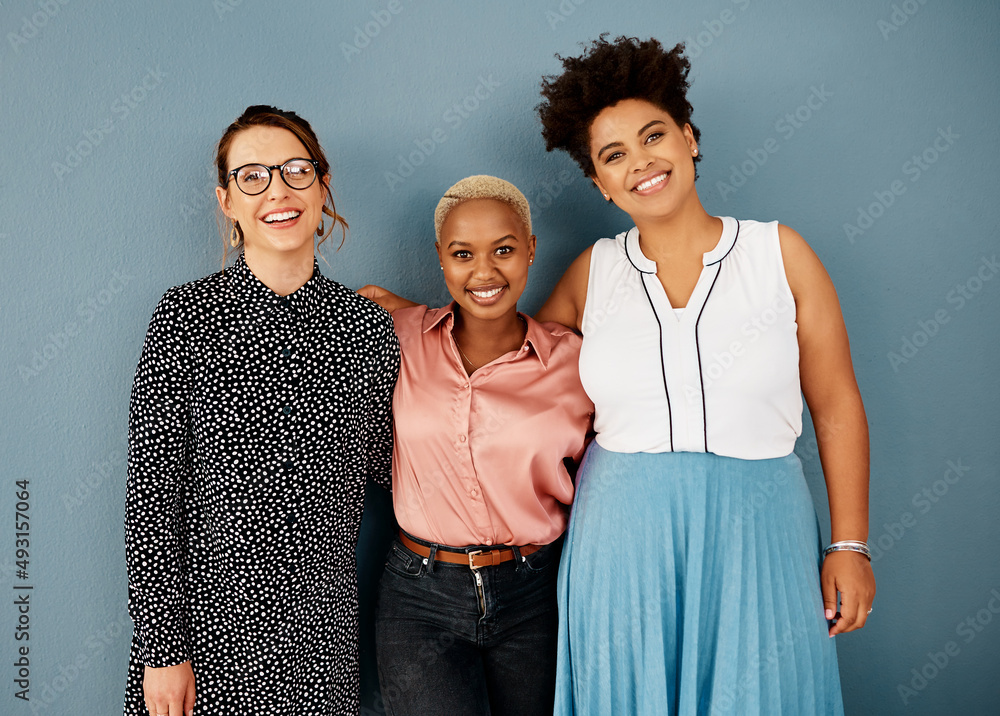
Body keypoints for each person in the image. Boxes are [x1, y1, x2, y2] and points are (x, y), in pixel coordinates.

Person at [533, 37, 875, 715]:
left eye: (654, 135)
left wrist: (850, 543)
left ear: (689, 138)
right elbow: (516, 378)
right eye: (614, 155)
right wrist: (422, 321)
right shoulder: (591, 272)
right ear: (600, 184)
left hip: (763, 530)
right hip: (622, 540)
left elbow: (836, 404)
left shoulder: (780, 253)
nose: (641, 162)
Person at [123, 105, 399, 716]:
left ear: (323, 186)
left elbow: (395, 471)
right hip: (207, 638)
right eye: (252, 176)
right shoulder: (185, 319)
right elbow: (150, 497)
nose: (277, 189)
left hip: (319, 643)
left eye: (296, 170)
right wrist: (162, 652)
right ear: (226, 201)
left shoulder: (368, 330)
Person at [358, 175, 594, 716]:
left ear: (531, 250)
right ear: (441, 258)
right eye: (463, 254)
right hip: (418, 595)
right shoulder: (394, 334)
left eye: (504, 250)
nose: (484, 272)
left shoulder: (576, 363)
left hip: (537, 591)